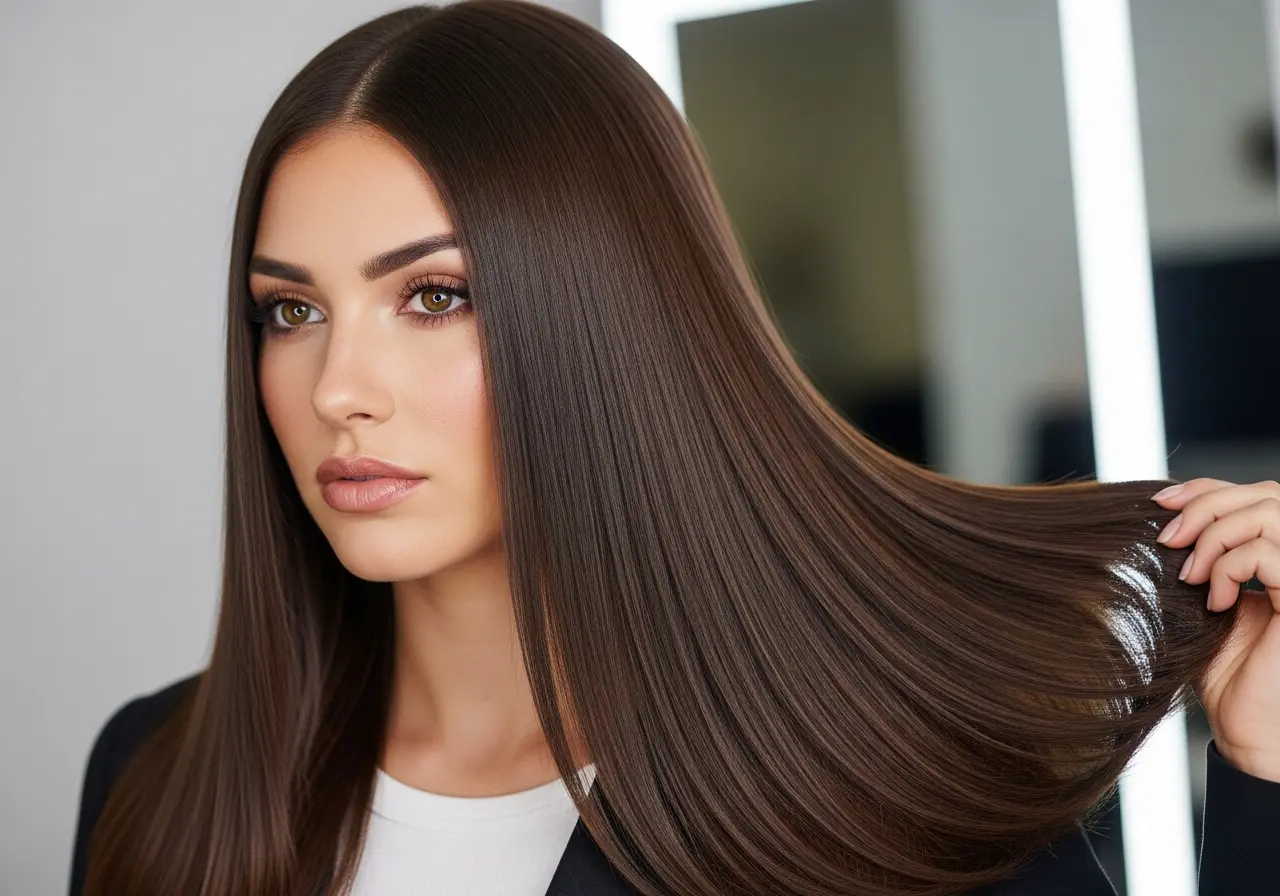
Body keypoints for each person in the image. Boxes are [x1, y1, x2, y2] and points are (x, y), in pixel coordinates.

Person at [68, 2, 1280, 894]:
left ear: (610, 316)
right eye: (291, 310)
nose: (337, 387)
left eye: (433, 295)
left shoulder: (883, 802)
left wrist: (1266, 777)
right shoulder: (155, 775)